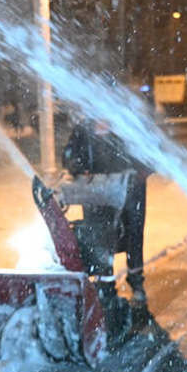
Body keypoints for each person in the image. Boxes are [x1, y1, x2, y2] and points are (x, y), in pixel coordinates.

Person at [61, 117, 150, 307]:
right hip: (97, 192)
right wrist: (77, 166)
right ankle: (105, 287)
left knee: (133, 236)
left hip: (130, 191)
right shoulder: (83, 128)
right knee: (99, 237)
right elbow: (69, 155)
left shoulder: (126, 121)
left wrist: (139, 171)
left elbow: (148, 153)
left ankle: (136, 283)